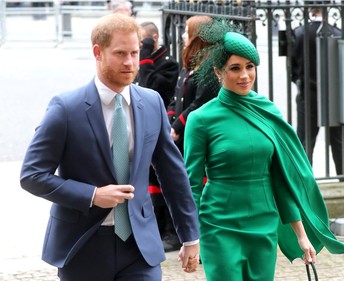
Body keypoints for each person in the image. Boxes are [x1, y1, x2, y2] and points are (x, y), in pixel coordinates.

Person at [19, 14, 199, 281]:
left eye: (135, 53)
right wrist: (92, 195)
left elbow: (173, 173)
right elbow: (31, 176)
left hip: (140, 247)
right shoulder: (65, 108)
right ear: (98, 52)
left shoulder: (151, 103)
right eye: (120, 53)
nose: (130, 62)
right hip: (82, 246)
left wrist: (190, 235)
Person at [183, 19, 344, 281]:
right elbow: (190, 185)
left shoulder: (267, 110)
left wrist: (301, 235)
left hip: (264, 223)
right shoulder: (201, 119)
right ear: (218, 71)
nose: (245, 75)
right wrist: (189, 238)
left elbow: (281, 178)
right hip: (219, 225)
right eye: (235, 68)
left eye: (250, 67)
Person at [291, 2, 344, 178]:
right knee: (339, 142)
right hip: (334, 96)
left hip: (308, 94)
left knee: (305, 142)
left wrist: (300, 81)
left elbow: (292, 69)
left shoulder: (300, 33)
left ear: (310, 8)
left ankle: (304, 184)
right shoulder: (339, 33)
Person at [137, 21, 181, 252]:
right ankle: (156, 229)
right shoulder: (139, 61)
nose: (140, 46)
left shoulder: (169, 64)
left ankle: (172, 234)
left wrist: (145, 54)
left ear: (154, 38)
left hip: (164, 130)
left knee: (165, 181)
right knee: (149, 181)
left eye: (143, 40)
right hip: (143, 128)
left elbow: (149, 86)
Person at [167, 15, 220, 155]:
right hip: (180, 133)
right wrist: (170, 122)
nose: (183, 36)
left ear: (197, 37)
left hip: (194, 133)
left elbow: (200, 102)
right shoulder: (191, 63)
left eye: (187, 32)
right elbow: (177, 96)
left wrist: (178, 127)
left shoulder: (209, 68)